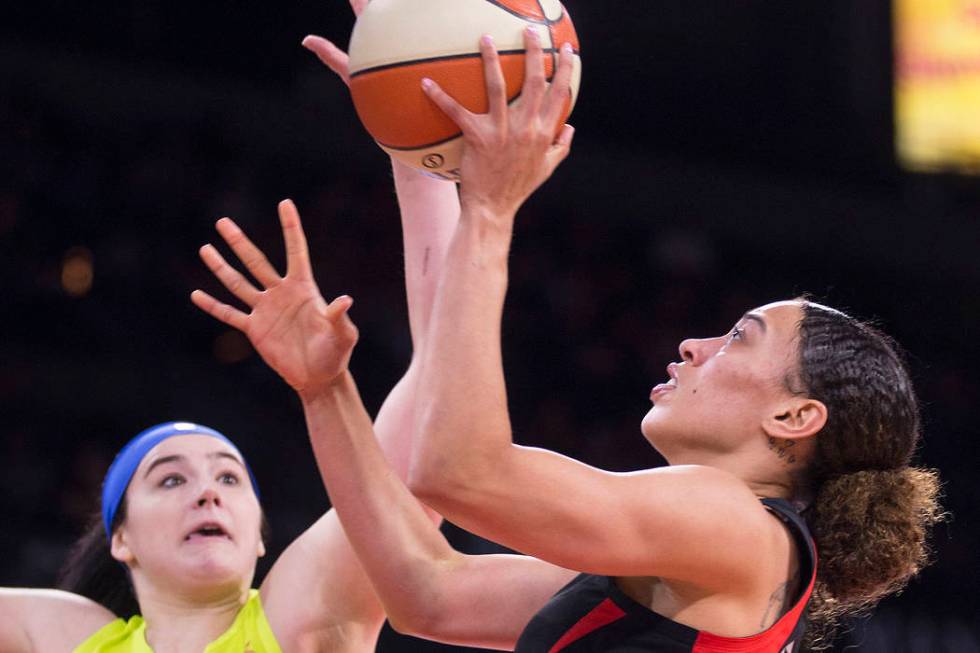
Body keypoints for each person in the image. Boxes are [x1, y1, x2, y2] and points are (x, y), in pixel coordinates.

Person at [238, 28, 943, 653]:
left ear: (795, 416)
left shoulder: (736, 525)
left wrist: (490, 209)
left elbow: (460, 470)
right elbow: (425, 591)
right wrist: (326, 389)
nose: (695, 344)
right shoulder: (695, 555)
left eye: (738, 337)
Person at [0, 2, 463, 643]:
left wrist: (414, 145)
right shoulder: (73, 636)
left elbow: (441, 417)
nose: (207, 493)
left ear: (260, 539)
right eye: (170, 479)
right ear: (122, 539)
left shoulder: (299, 613)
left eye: (228, 477)